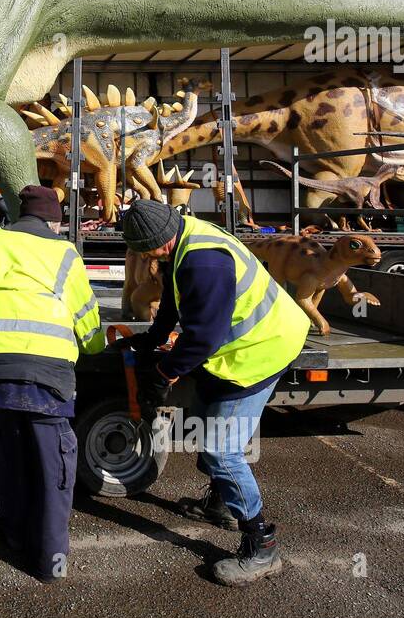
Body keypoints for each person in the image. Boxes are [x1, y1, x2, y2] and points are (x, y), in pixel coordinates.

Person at [118, 199, 310, 586]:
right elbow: (174, 299)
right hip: (243, 345)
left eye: (143, 252)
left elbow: (203, 337)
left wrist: (163, 373)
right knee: (206, 417)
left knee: (222, 450)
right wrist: (151, 339)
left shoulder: (204, 260)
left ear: (159, 243)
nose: (141, 259)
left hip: (262, 349)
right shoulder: (183, 238)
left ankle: (262, 544)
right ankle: (221, 504)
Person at [0, 184, 106, 582]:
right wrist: (97, 344)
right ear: (54, 221)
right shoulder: (65, 253)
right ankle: (50, 561)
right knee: (53, 470)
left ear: (18, 216)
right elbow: (86, 316)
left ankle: (15, 536)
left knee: (9, 459)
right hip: (48, 379)